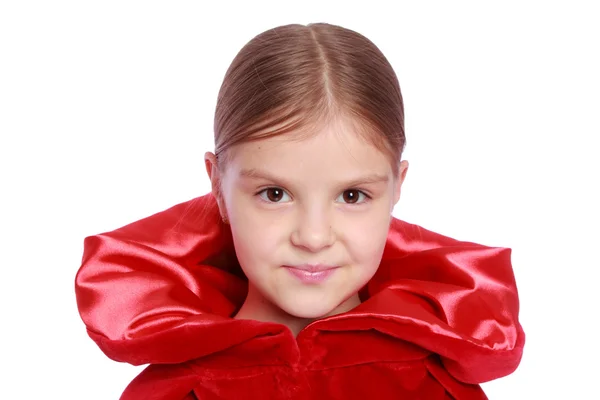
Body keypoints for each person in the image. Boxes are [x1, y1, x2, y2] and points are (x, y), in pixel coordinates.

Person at [75, 22, 525, 399]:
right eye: (274, 194)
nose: (312, 237)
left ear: (397, 187)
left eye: (351, 196)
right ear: (217, 184)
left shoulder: (435, 386)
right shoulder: (180, 390)